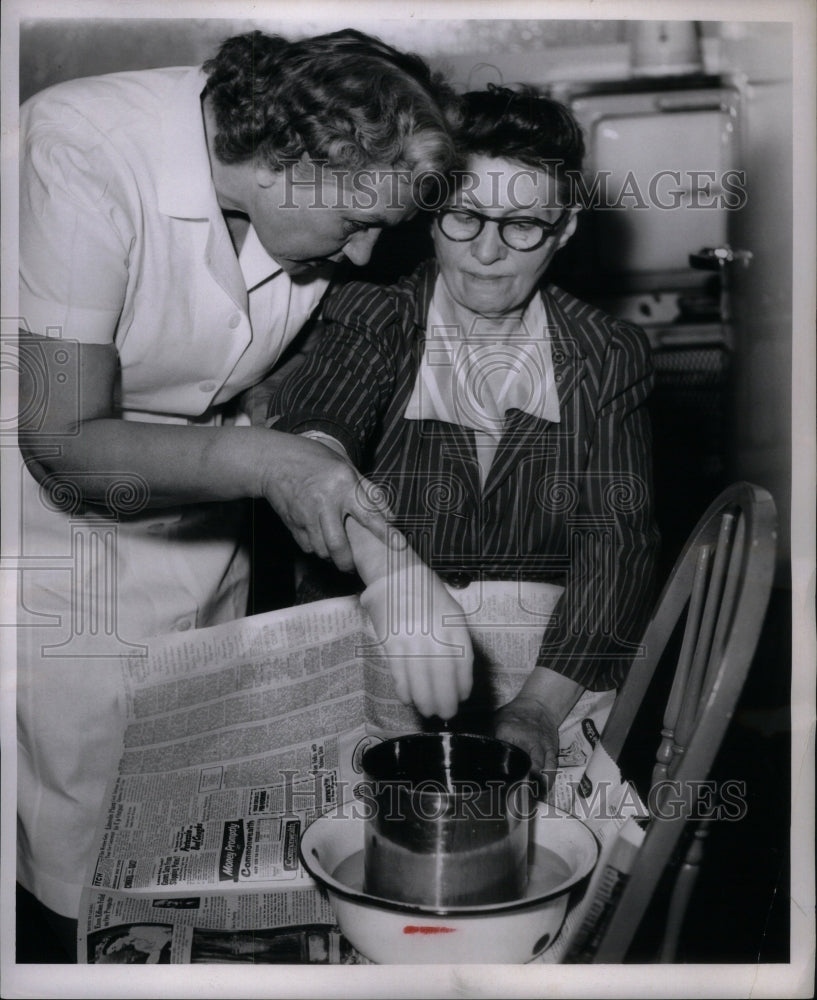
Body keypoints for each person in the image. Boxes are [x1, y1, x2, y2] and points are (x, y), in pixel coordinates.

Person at [16, 27, 462, 941]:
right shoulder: (80, 149)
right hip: (50, 546)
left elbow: (284, 367)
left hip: (196, 526)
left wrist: (388, 557)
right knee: (79, 857)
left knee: (176, 824)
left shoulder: (309, 196)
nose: (368, 254)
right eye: (358, 223)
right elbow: (62, 440)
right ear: (284, 159)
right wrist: (273, 462)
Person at [269, 85, 661, 775]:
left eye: (521, 225)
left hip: (553, 665)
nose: (485, 252)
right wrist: (389, 571)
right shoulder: (374, 317)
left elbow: (614, 542)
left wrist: (537, 707)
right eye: (463, 217)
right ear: (429, 213)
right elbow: (312, 437)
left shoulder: (605, 355)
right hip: (373, 645)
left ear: (563, 227)